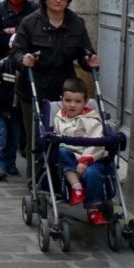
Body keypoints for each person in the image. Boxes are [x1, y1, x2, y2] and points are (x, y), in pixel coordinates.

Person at [11, 0, 99, 177]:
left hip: (63, 92)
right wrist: (23, 59)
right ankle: (37, 183)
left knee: (63, 136)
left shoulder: (76, 23)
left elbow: (84, 51)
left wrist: (89, 60)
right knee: (37, 138)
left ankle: (60, 179)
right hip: (34, 88)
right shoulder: (30, 23)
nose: (58, 0)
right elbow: (16, 52)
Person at [0, 0, 40, 154]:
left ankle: (24, 144)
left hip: (27, 63)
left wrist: (12, 31)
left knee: (23, 105)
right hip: (4, 63)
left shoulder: (34, 9)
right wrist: (16, 34)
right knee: (6, 104)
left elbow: (35, 35)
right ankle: (6, 145)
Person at [54, 78, 110, 226]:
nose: (72, 105)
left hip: (91, 158)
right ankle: (77, 187)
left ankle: (93, 209)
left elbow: (98, 143)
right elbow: (57, 134)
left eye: (77, 102)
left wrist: (85, 160)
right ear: (62, 100)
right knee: (60, 152)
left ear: (85, 102)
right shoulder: (59, 118)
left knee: (93, 174)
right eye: (68, 100)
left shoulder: (91, 119)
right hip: (70, 158)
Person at [0, 34, 21, 181]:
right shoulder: (0, 65)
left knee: (14, 138)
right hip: (1, 108)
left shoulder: (26, 69)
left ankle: (10, 162)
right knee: (0, 137)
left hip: (17, 110)